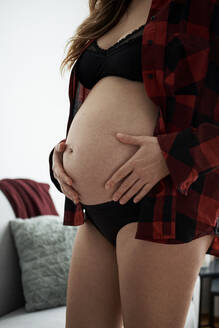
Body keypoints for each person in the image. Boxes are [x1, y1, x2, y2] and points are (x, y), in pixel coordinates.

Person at [49, 0, 219, 327]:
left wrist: (170, 154)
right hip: (94, 213)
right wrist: (61, 157)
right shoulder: (109, 7)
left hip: (163, 203)